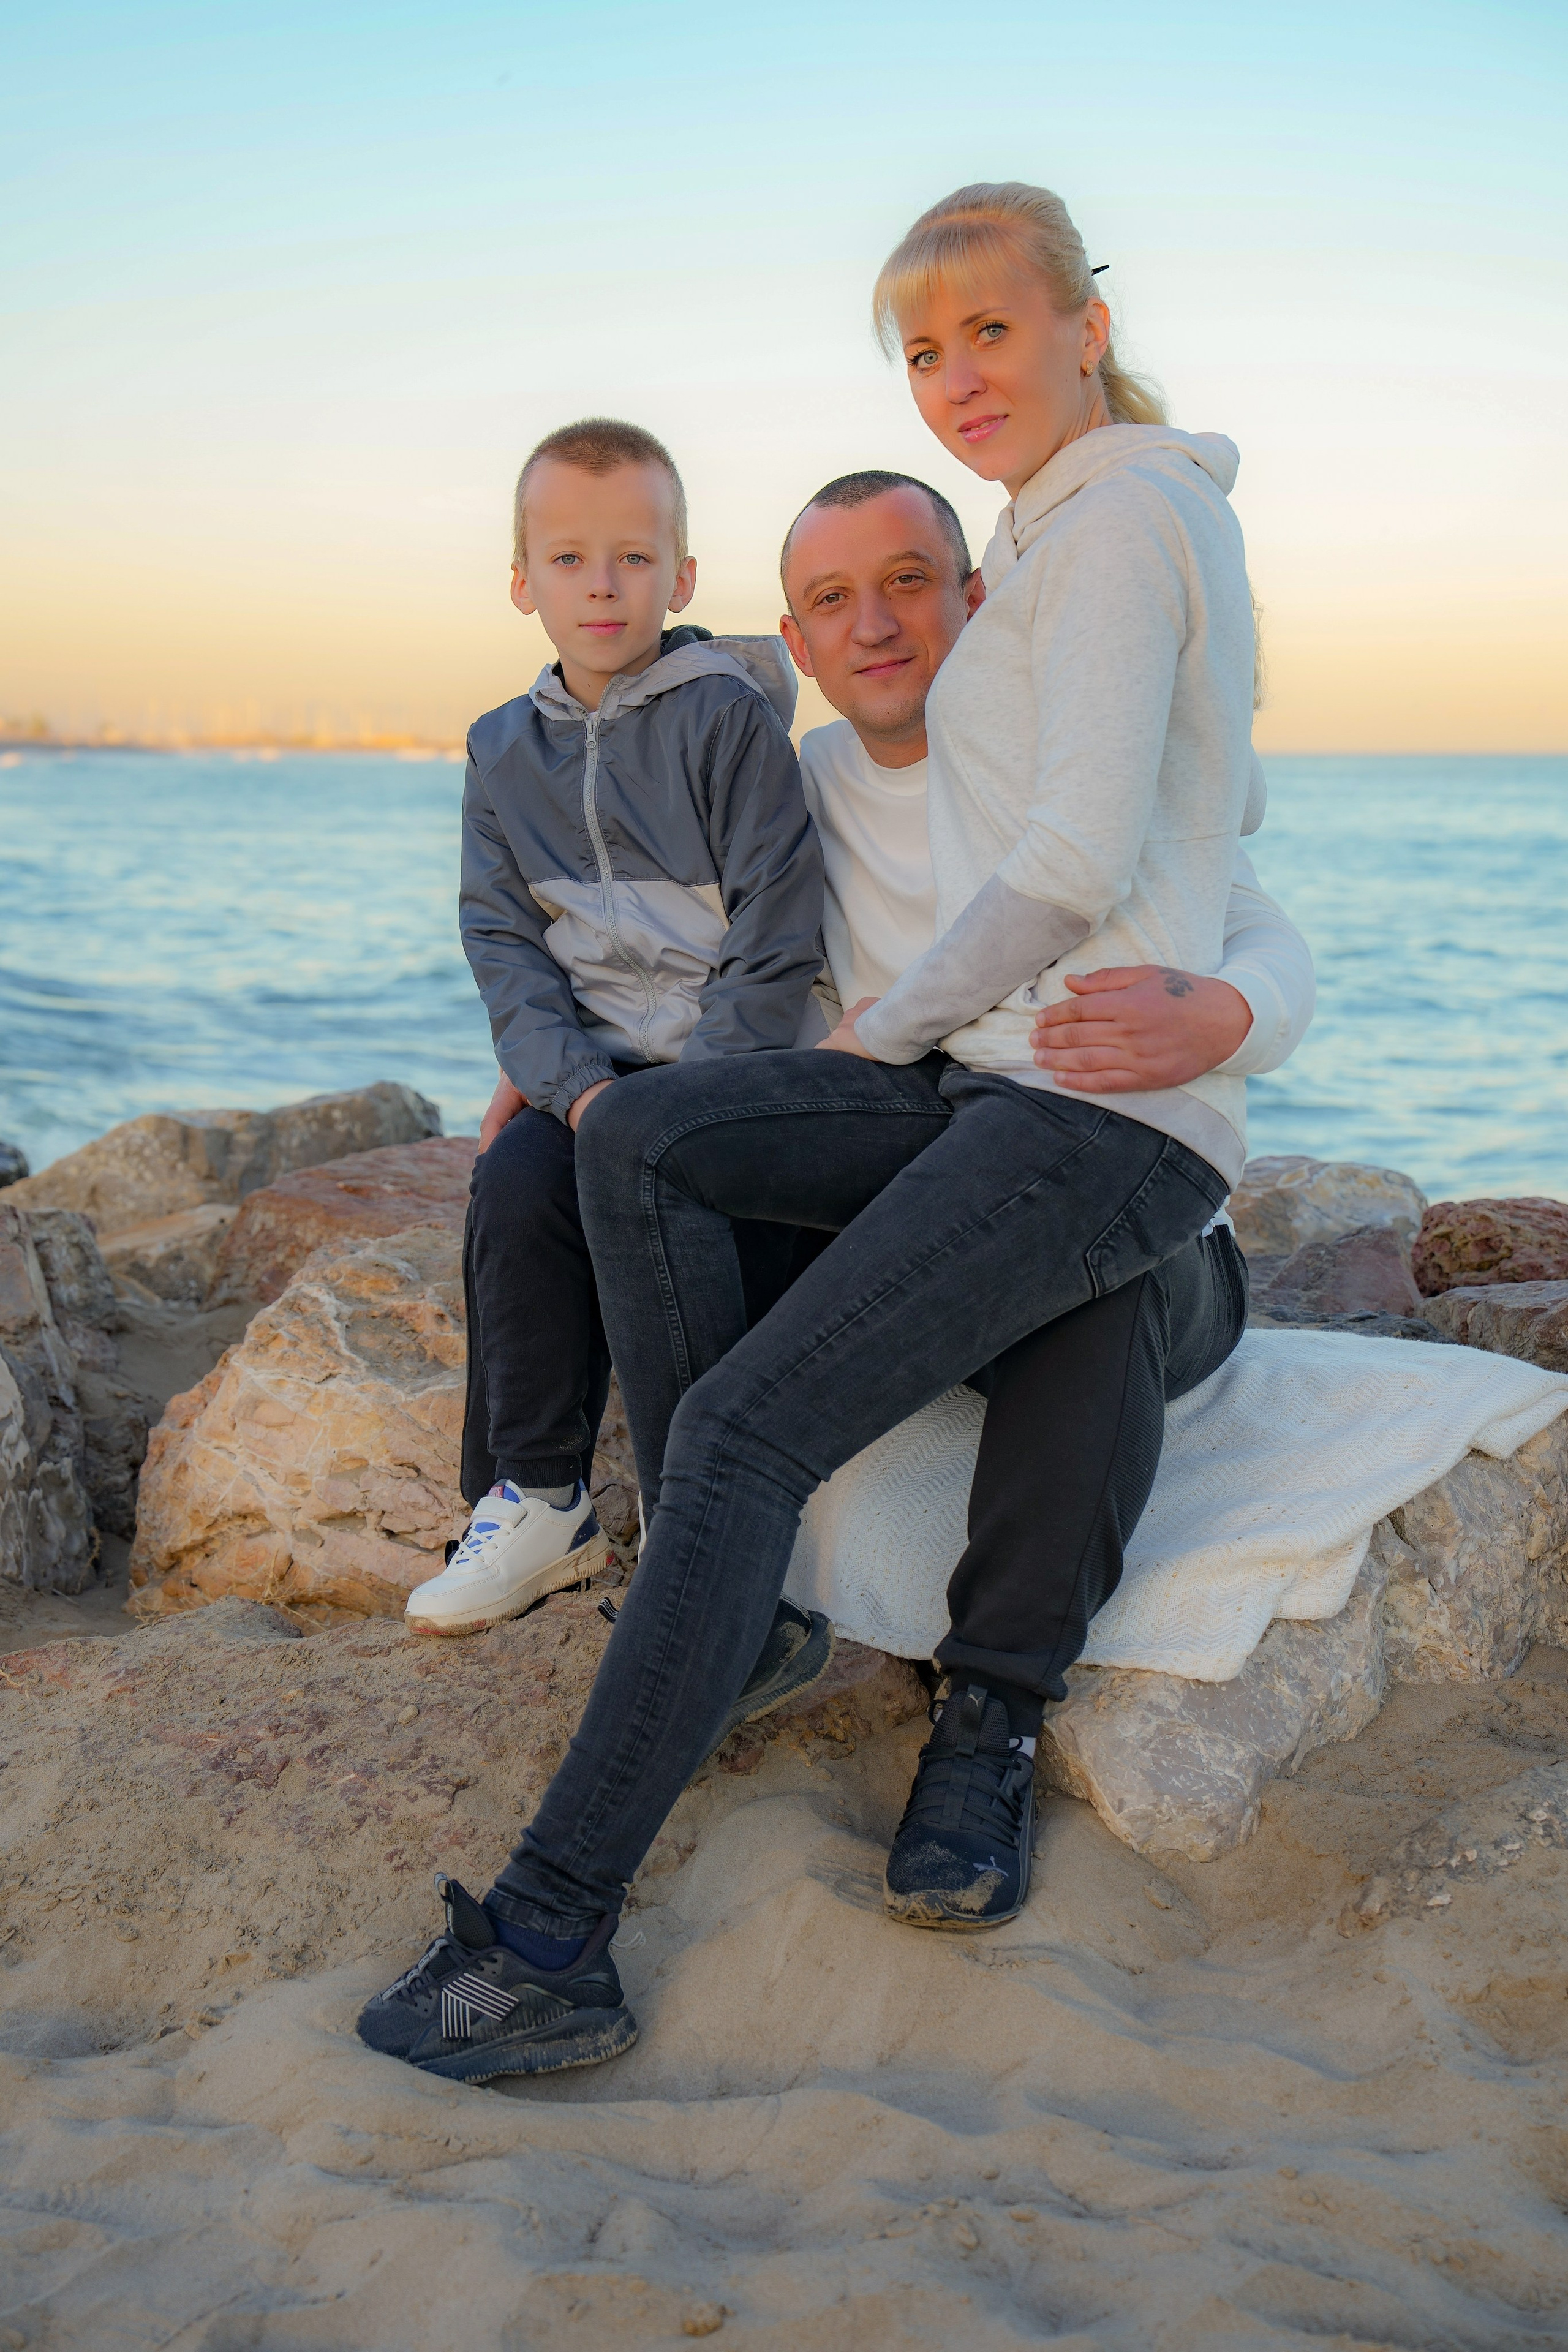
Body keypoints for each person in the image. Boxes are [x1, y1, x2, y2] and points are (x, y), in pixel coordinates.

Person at [358, 180, 1307, 2086]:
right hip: (971, 1112)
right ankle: (727, 1593)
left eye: (992, 336)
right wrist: (572, 1063)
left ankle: (903, 1754)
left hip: (1103, 1144)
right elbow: (697, 955)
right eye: (925, 348)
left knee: (778, 1418)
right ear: (783, 631)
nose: (876, 624)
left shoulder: (1091, 576)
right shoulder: (855, 737)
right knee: (631, 1150)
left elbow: (1167, 878)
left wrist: (1223, 1012)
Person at [404, 417, 824, 1638]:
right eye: (572, 559)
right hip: (593, 1074)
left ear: (681, 577)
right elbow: (501, 946)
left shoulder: (725, 722)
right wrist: (571, 1088)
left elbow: (778, 931)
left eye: (633, 558)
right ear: (522, 580)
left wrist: (686, 1102)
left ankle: (701, 1532)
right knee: (520, 1181)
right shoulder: (501, 748)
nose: (602, 585)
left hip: (725, 1077)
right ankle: (536, 1499)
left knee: (666, 1210)